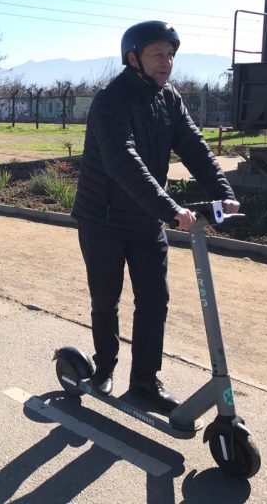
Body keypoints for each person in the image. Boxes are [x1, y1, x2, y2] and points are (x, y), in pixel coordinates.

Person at [71, 21, 240, 412]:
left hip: (145, 219)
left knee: (154, 300)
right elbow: (122, 161)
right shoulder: (110, 100)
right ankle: (104, 367)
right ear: (133, 59)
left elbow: (195, 148)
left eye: (170, 55)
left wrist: (224, 195)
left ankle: (145, 381)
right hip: (103, 219)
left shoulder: (169, 99)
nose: (166, 63)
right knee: (106, 298)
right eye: (157, 54)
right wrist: (171, 210)